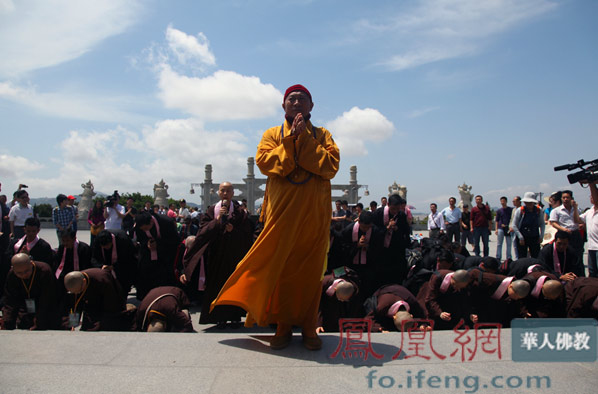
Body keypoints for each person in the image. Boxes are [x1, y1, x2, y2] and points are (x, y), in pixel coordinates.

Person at [211, 84, 340, 350]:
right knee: (281, 270)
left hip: (314, 218)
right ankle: (282, 326)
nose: (296, 103)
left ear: (311, 107)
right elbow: (266, 162)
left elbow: (330, 166)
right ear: (283, 106)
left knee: (312, 272)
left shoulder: (323, 134)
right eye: (291, 99)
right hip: (281, 217)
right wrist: (294, 141)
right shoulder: (272, 134)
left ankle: (308, 327)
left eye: (302, 99)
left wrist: (303, 140)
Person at [182, 182, 254, 327]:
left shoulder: (240, 212)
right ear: (219, 193)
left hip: (234, 254)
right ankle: (217, 316)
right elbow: (202, 232)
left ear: (233, 193)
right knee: (216, 286)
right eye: (223, 191)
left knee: (233, 285)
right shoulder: (211, 210)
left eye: (228, 191)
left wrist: (233, 230)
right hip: (215, 255)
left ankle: (235, 316)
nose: (225, 193)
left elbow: (248, 234)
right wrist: (216, 221)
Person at [62, 269, 135, 331]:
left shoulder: (103, 280)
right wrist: (73, 324)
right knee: (86, 326)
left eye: (79, 291)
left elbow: (111, 305)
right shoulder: (75, 283)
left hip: (108, 305)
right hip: (91, 305)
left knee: (104, 325)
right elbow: (74, 305)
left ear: (84, 281)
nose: (77, 293)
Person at [2, 253, 57, 330]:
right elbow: (10, 299)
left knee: (44, 324)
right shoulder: (12, 274)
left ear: (31, 263)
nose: (24, 275)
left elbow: (46, 298)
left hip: (44, 306)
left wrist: (38, 320)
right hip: (25, 306)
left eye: (26, 271)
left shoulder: (44, 270)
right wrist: (7, 322)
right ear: (13, 269)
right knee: (21, 324)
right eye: (19, 273)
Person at [134, 210, 180, 300]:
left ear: (151, 222)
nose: (145, 230)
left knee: (165, 278)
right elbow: (140, 238)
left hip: (165, 254)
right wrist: (146, 243)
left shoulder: (167, 222)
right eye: (143, 229)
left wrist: (158, 243)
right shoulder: (139, 226)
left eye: (147, 228)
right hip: (148, 254)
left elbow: (175, 241)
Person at [4, 217, 53, 289]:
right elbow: (7, 258)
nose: (31, 234)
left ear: (38, 230)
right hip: (17, 279)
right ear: (24, 229)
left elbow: (47, 265)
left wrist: (29, 258)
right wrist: (18, 258)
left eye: (33, 231)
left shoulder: (44, 246)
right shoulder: (16, 243)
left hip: (34, 280)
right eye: (28, 231)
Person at [91, 229, 138, 300]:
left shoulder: (123, 239)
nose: (106, 247)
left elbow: (129, 258)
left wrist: (114, 266)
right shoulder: (97, 241)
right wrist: (101, 266)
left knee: (123, 286)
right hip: (106, 264)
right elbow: (94, 257)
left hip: (122, 264)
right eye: (104, 246)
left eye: (107, 245)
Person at [549, 190, 584, 270]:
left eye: (567, 197)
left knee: (578, 255)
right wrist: (563, 229)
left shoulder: (577, 209)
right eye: (564, 198)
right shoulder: (556, 211)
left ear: (571, 199)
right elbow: (553, 223)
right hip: (563, 235)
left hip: (575, 234)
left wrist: (581, 225)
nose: (565, 199)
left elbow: (580, 220)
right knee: (565, 255)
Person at [53, 229, 92, 300]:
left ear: (74, 239)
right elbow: (59, 263)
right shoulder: (62, 248)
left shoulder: (83, 248)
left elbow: (86, 264)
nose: (65, 243)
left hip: (81, 275)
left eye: (67, 241)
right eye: (63, 241)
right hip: (66, 275)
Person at [512, 192, 545, 259]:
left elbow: (542, 223)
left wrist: (541, 236)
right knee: (522, 257)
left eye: (530, 202)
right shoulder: (520, 210)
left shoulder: (538, 210)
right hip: (523, 236)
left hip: (534, 236)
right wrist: (520, 237)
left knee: (536, 256)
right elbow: (514, 225)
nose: (528, 204)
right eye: (526, 202)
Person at [580, 181, 598, 277]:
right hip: (591, 247)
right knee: (592, 274)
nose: (592, 197)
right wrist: (574, 207)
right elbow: (577, 219)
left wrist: (591, 183)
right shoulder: (589, 211)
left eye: (593, 195)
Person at [495, 196, 513, 261]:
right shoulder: (499, 211)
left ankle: (508, 257)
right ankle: (498, 256)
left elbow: (512, 218)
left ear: (506, 201)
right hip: (500, 228)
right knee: (499, 243)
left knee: (509, 243)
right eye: (501, 201)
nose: (502, 202)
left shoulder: (510, 210)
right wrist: (496, 229)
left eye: (504, 201)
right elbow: (497, 220)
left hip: (508, 228)